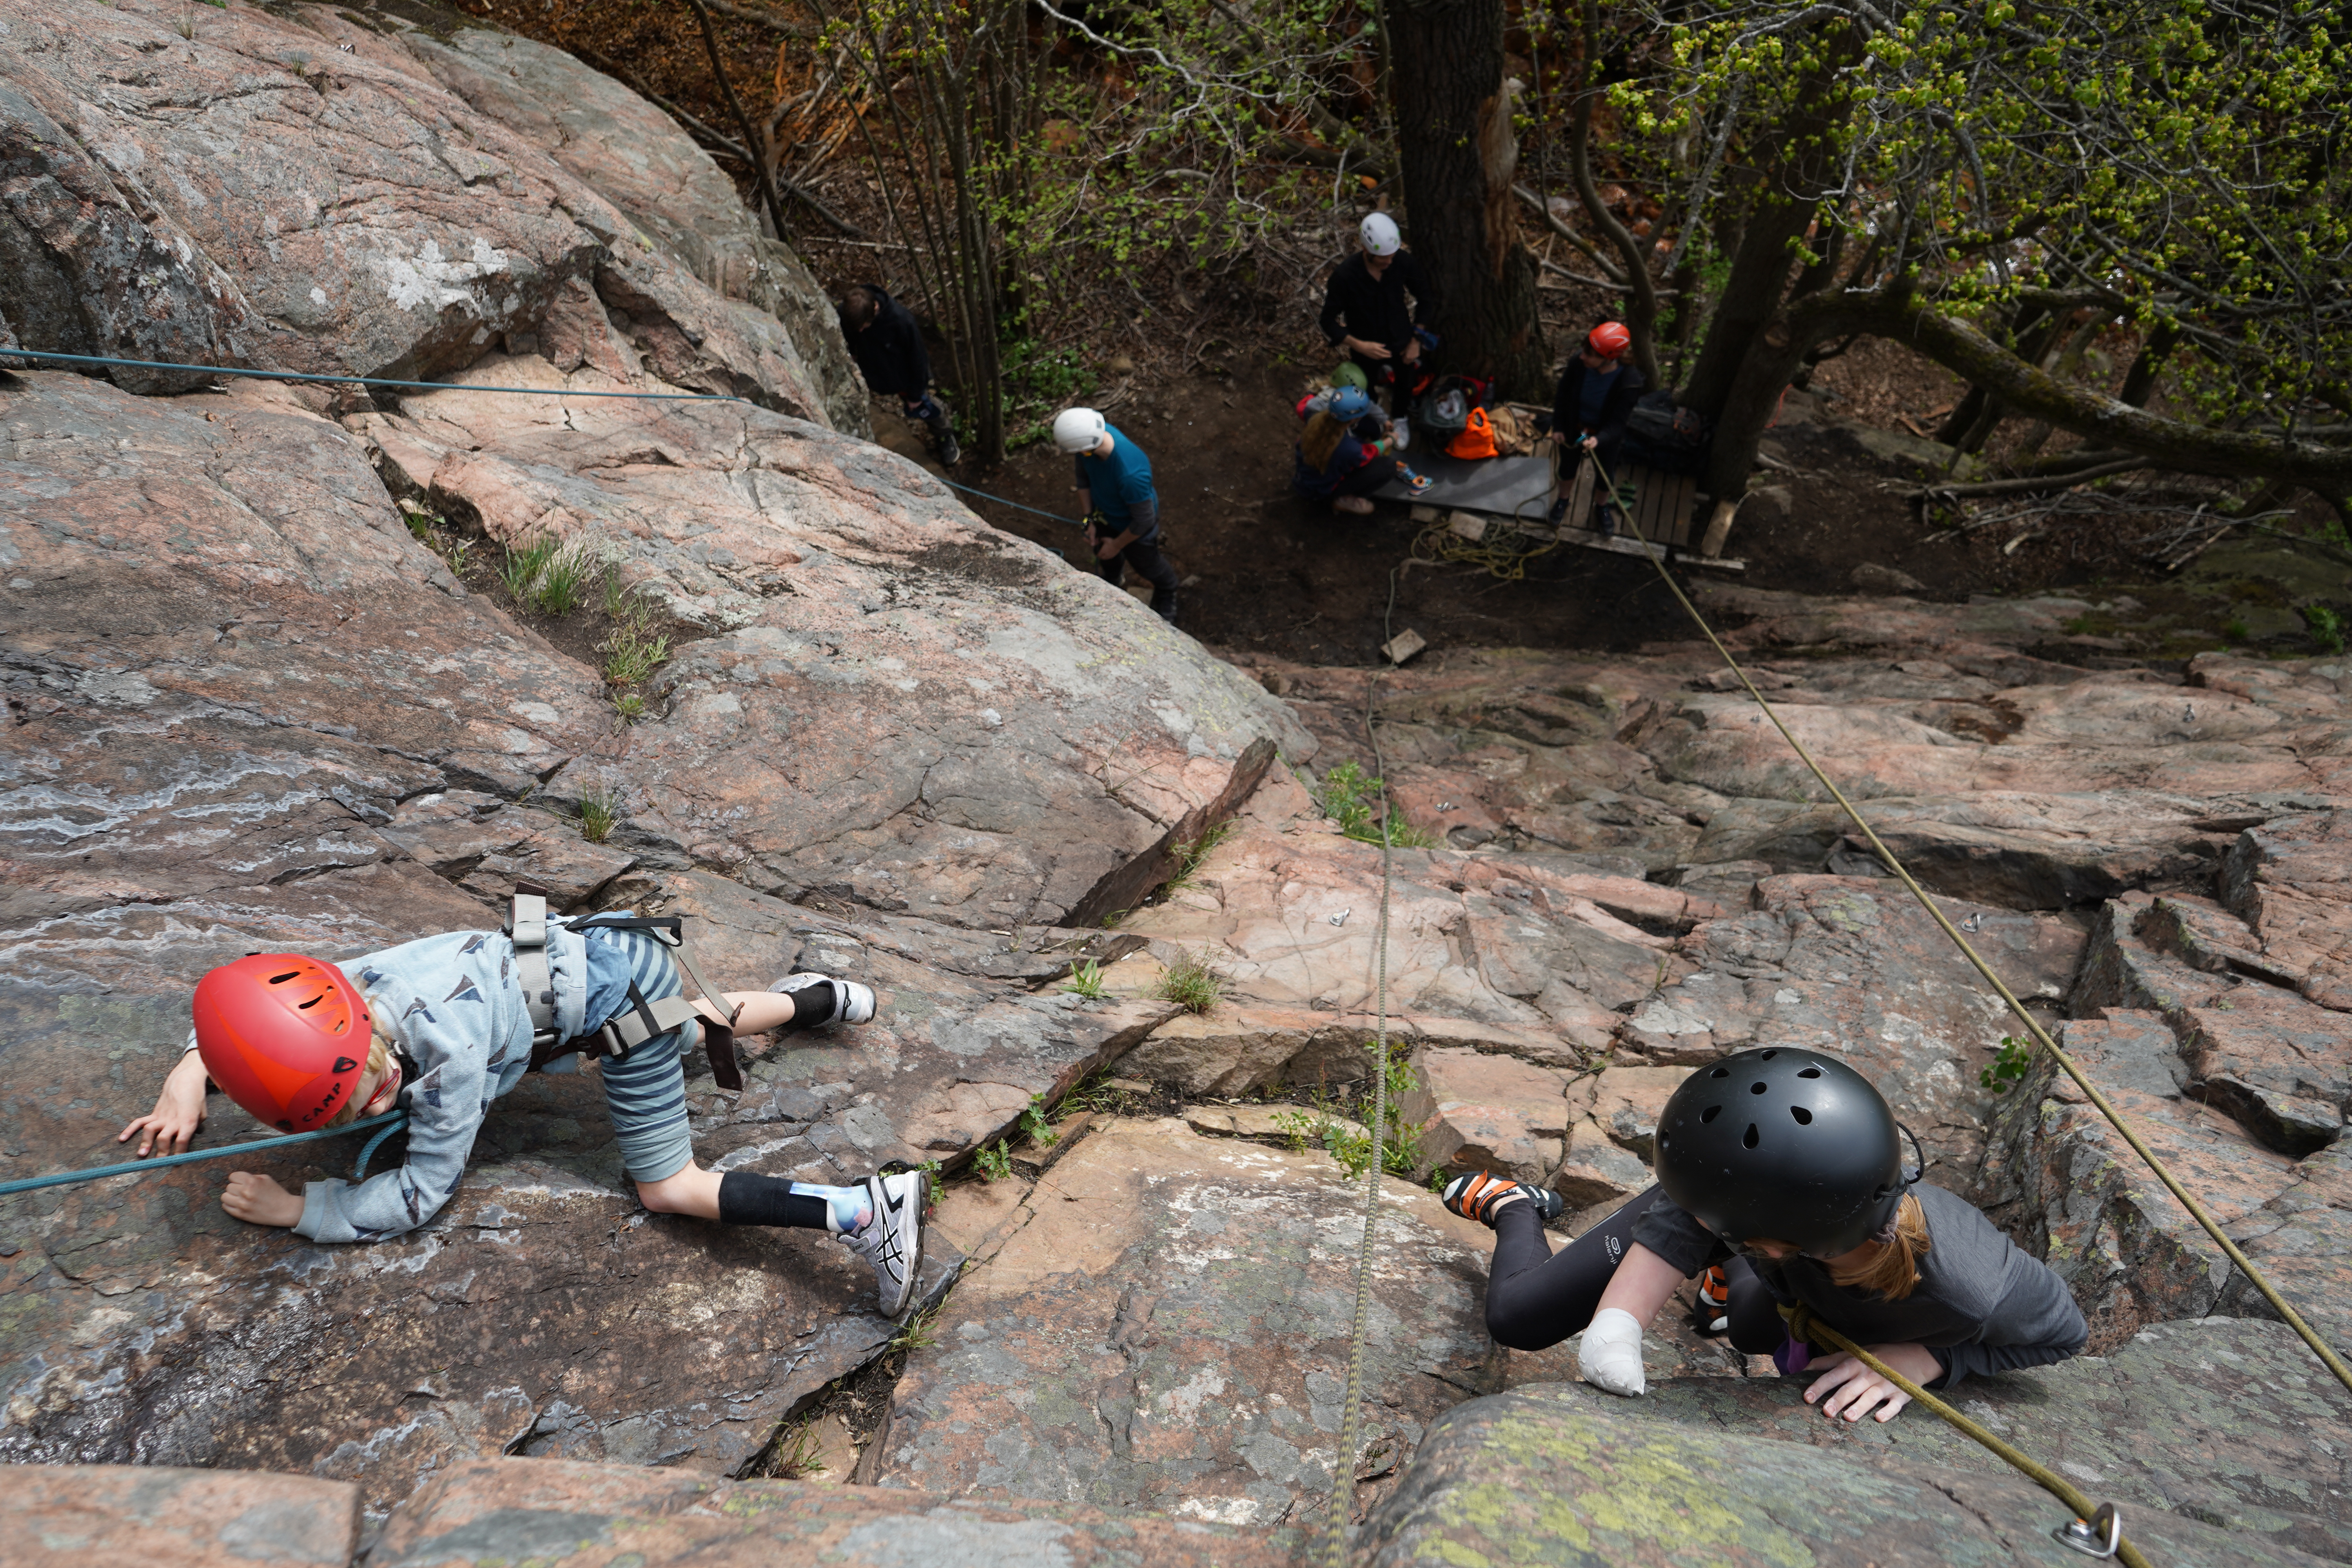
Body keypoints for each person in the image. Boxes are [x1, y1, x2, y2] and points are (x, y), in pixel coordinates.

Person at [117, 920, 928, 1318]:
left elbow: (417, 1194)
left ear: (357, 1027)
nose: (375, 1100)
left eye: (370, 1081)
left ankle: (864, 1211)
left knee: (668, 1186)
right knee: (689, 1019)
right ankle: (819, 996)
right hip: (599, 949)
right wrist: (192, 1070)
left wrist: (305, 1208)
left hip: (615, 1001)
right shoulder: (348, 984)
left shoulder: (449, 1064)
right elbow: (258, 1007)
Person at [1443, 1046, 2086, 1424]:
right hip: (1748, 1201)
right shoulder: (1752, 1182)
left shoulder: (1966, 1290)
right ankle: (1516, 1207)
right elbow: (1688, 1213)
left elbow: (2065, 1334)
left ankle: (1727, 1264)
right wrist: (1618, 1323)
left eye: (1724, 1236)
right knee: (1519, 1318)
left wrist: (1933, 1359)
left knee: (1752, 1329)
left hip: (1770, 1234)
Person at [1054, 406, 1179, 624]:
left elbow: (1144, 520)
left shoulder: (1131, 475)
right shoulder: (1091, 437)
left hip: (1134, 525)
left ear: (1085, 449)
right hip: (1105, 513)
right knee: (1102, 550)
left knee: (1146, 565)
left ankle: (1169, 590)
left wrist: (1117, 545)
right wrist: (1089, 519)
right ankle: (1113, 578)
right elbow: (1083, 480)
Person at [1318, 213, 1439, 415]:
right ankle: (1373, 418)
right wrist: (1359, 345)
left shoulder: (1402, 262)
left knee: (1406, 381)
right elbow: (1327, 320)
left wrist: (1416, 340)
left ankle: (1400, 419)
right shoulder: (1345, 276)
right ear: (1366, 250)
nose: (1390, 262)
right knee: (1366, 387)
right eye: (1384, 257)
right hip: (1365, 345)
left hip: (1401, 340)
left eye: (1392, 256)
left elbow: (1426, 299)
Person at [836, 285, 960, 466]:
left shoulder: (901, 321)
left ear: (875, 310)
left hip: (903, 379)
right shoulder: (849, 313)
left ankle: (945, 436)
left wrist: (916, 394)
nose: (861, 331)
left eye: (864, 326)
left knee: (928, 408)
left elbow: (919, 359)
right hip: (869, 373)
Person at [1547, 321, 1646, 534]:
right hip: (1575, 426)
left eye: (1590, 354)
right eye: (1584, 351)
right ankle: (1563, 500)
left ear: (1609, 358)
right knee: (1567, 467)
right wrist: (1559, 426)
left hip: (1605, 436)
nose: (1583, 356)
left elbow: (1619, 422)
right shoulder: (1578, 364)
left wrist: (1599, 439)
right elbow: (1563, 395)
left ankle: (1601, 507)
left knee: (1606, 475)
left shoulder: (1630, 382)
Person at [1292, 386, 1429, 515]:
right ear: (1354, 418)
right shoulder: (1348, 449)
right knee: (1388, 467)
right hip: (1321, 492)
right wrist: (1391, 441)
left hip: (1305, 479)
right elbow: (1368, 453)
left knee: (1363, 435)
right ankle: (1344, 499)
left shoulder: (1316, 420)